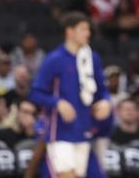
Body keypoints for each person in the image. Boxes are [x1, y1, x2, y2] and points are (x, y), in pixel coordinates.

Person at [29, 11, 111, 178]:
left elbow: (102, 90)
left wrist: (106, 102)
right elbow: (36, 93)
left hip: (84, 128)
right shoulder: (55, 59)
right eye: (83, 29)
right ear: (70, 31)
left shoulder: (93, 58)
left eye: (88, 29)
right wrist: (58, 103)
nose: (88, 33)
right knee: (66, 175)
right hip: (59, 130)